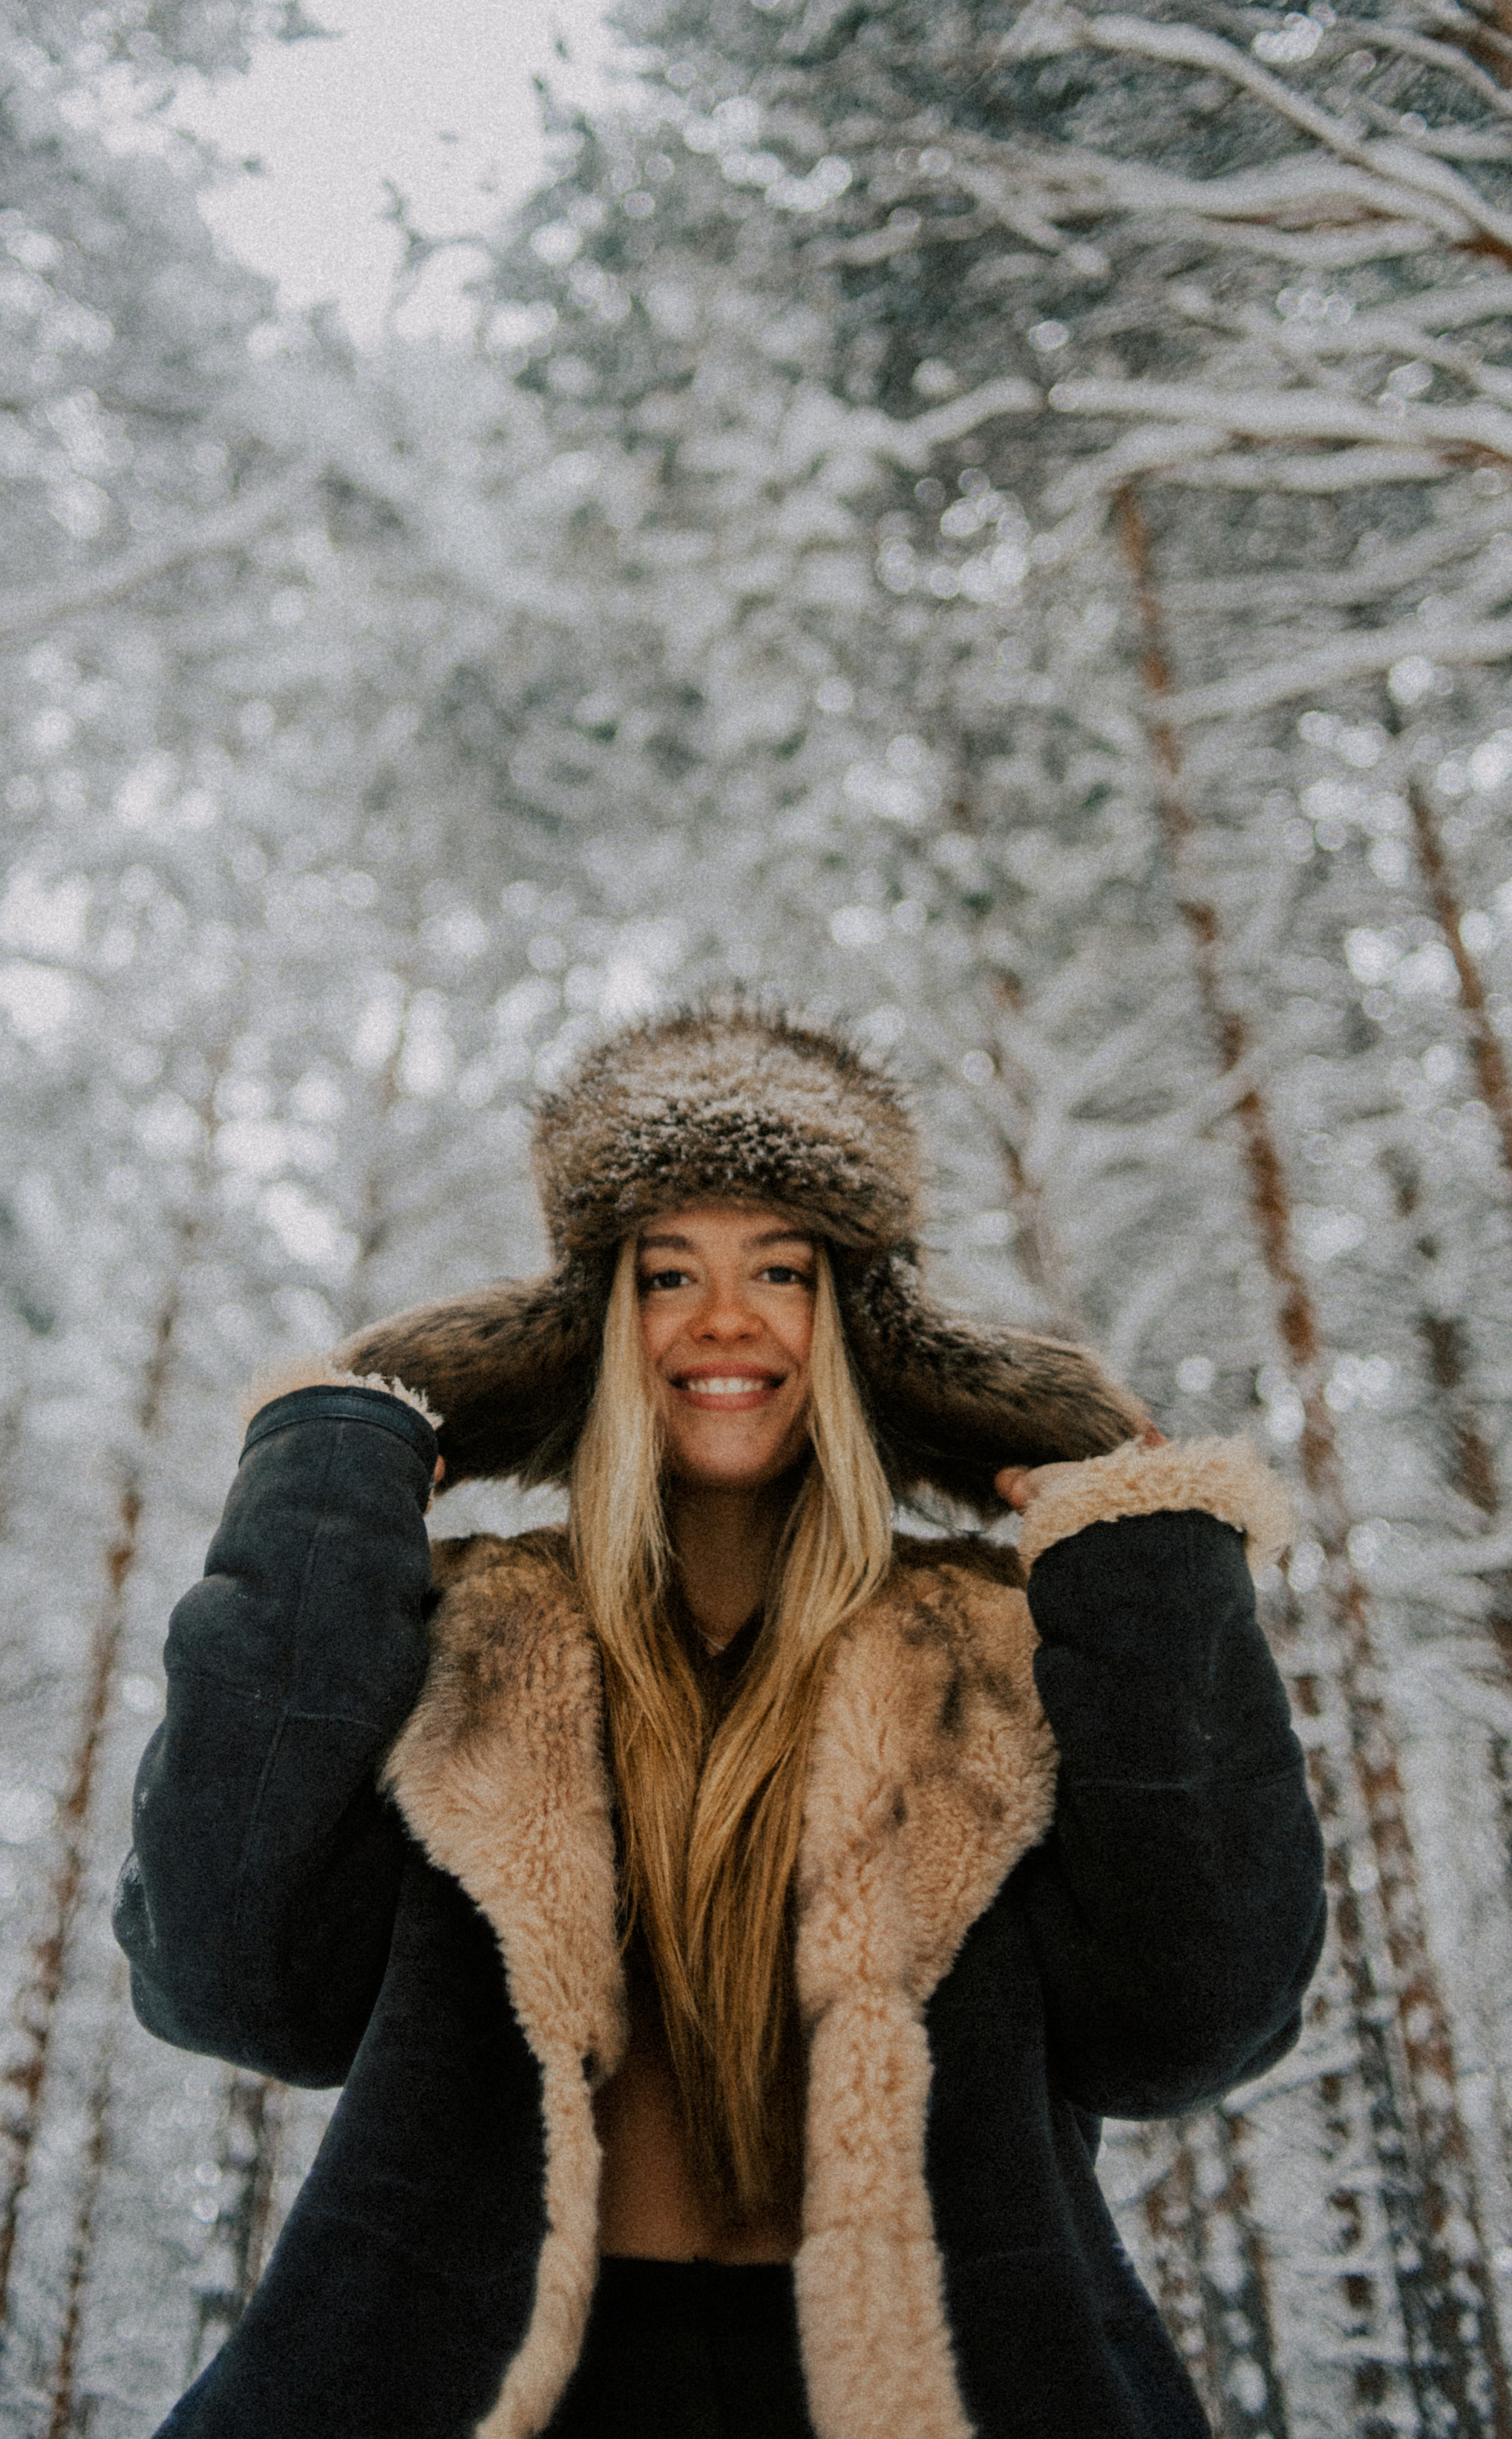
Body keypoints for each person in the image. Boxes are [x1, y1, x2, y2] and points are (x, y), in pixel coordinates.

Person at [116, 1004, 1325, 2439]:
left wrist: (1132, 1527)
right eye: (666, 1271)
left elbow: (1197, 2019)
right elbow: (228, 1973)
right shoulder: (464, 1646)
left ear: (864, 1322)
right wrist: (337, 1453)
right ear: (595, 1322)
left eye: (787, 1270)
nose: (724, 1319)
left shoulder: (989, 1657)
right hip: (482, 2388)